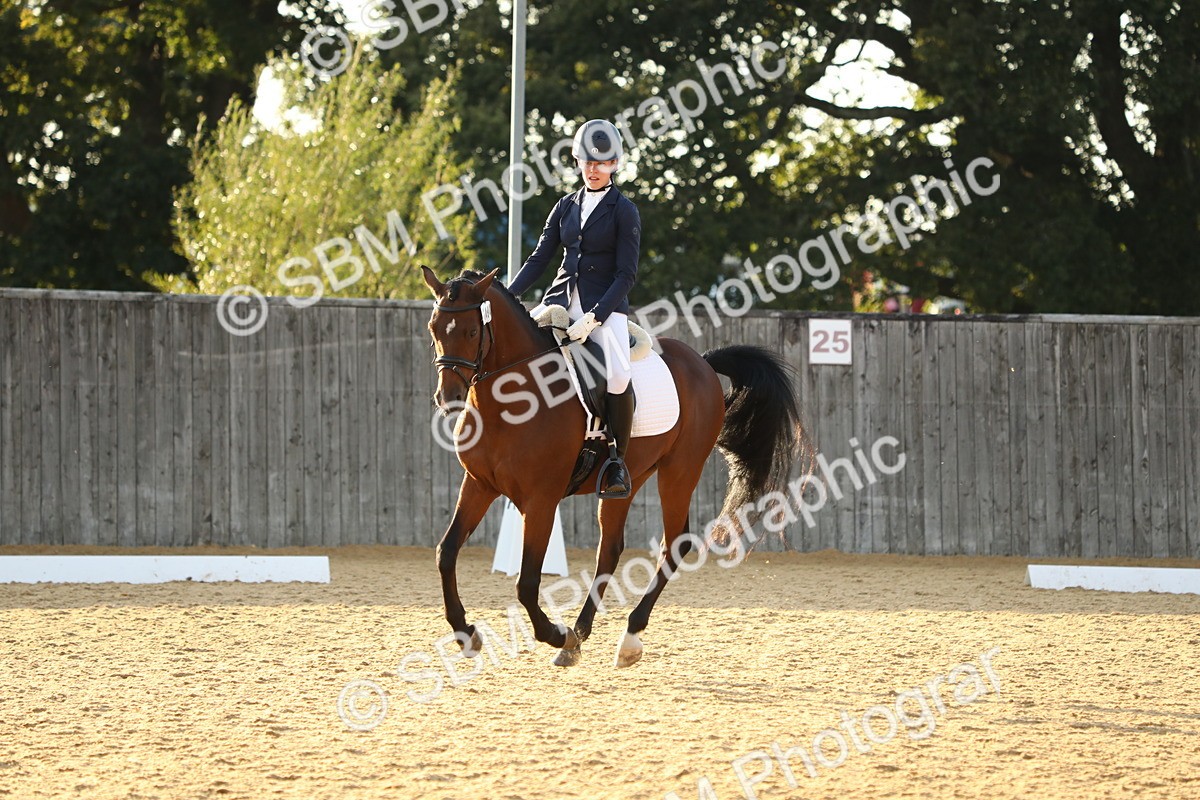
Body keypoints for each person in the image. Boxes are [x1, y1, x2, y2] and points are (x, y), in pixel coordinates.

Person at [508, 119, 641, 499]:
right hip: (559, 301)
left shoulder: (624, 210)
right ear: (578, 161)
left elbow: (626, 275)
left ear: (614, 164)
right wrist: (505, 293)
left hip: (605, 307)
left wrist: (596, 316)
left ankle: (617, 461)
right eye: (588, 163)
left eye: (602, 163)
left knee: (616, 376)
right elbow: (539, 259)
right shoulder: (565, 206)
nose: (594, 169)